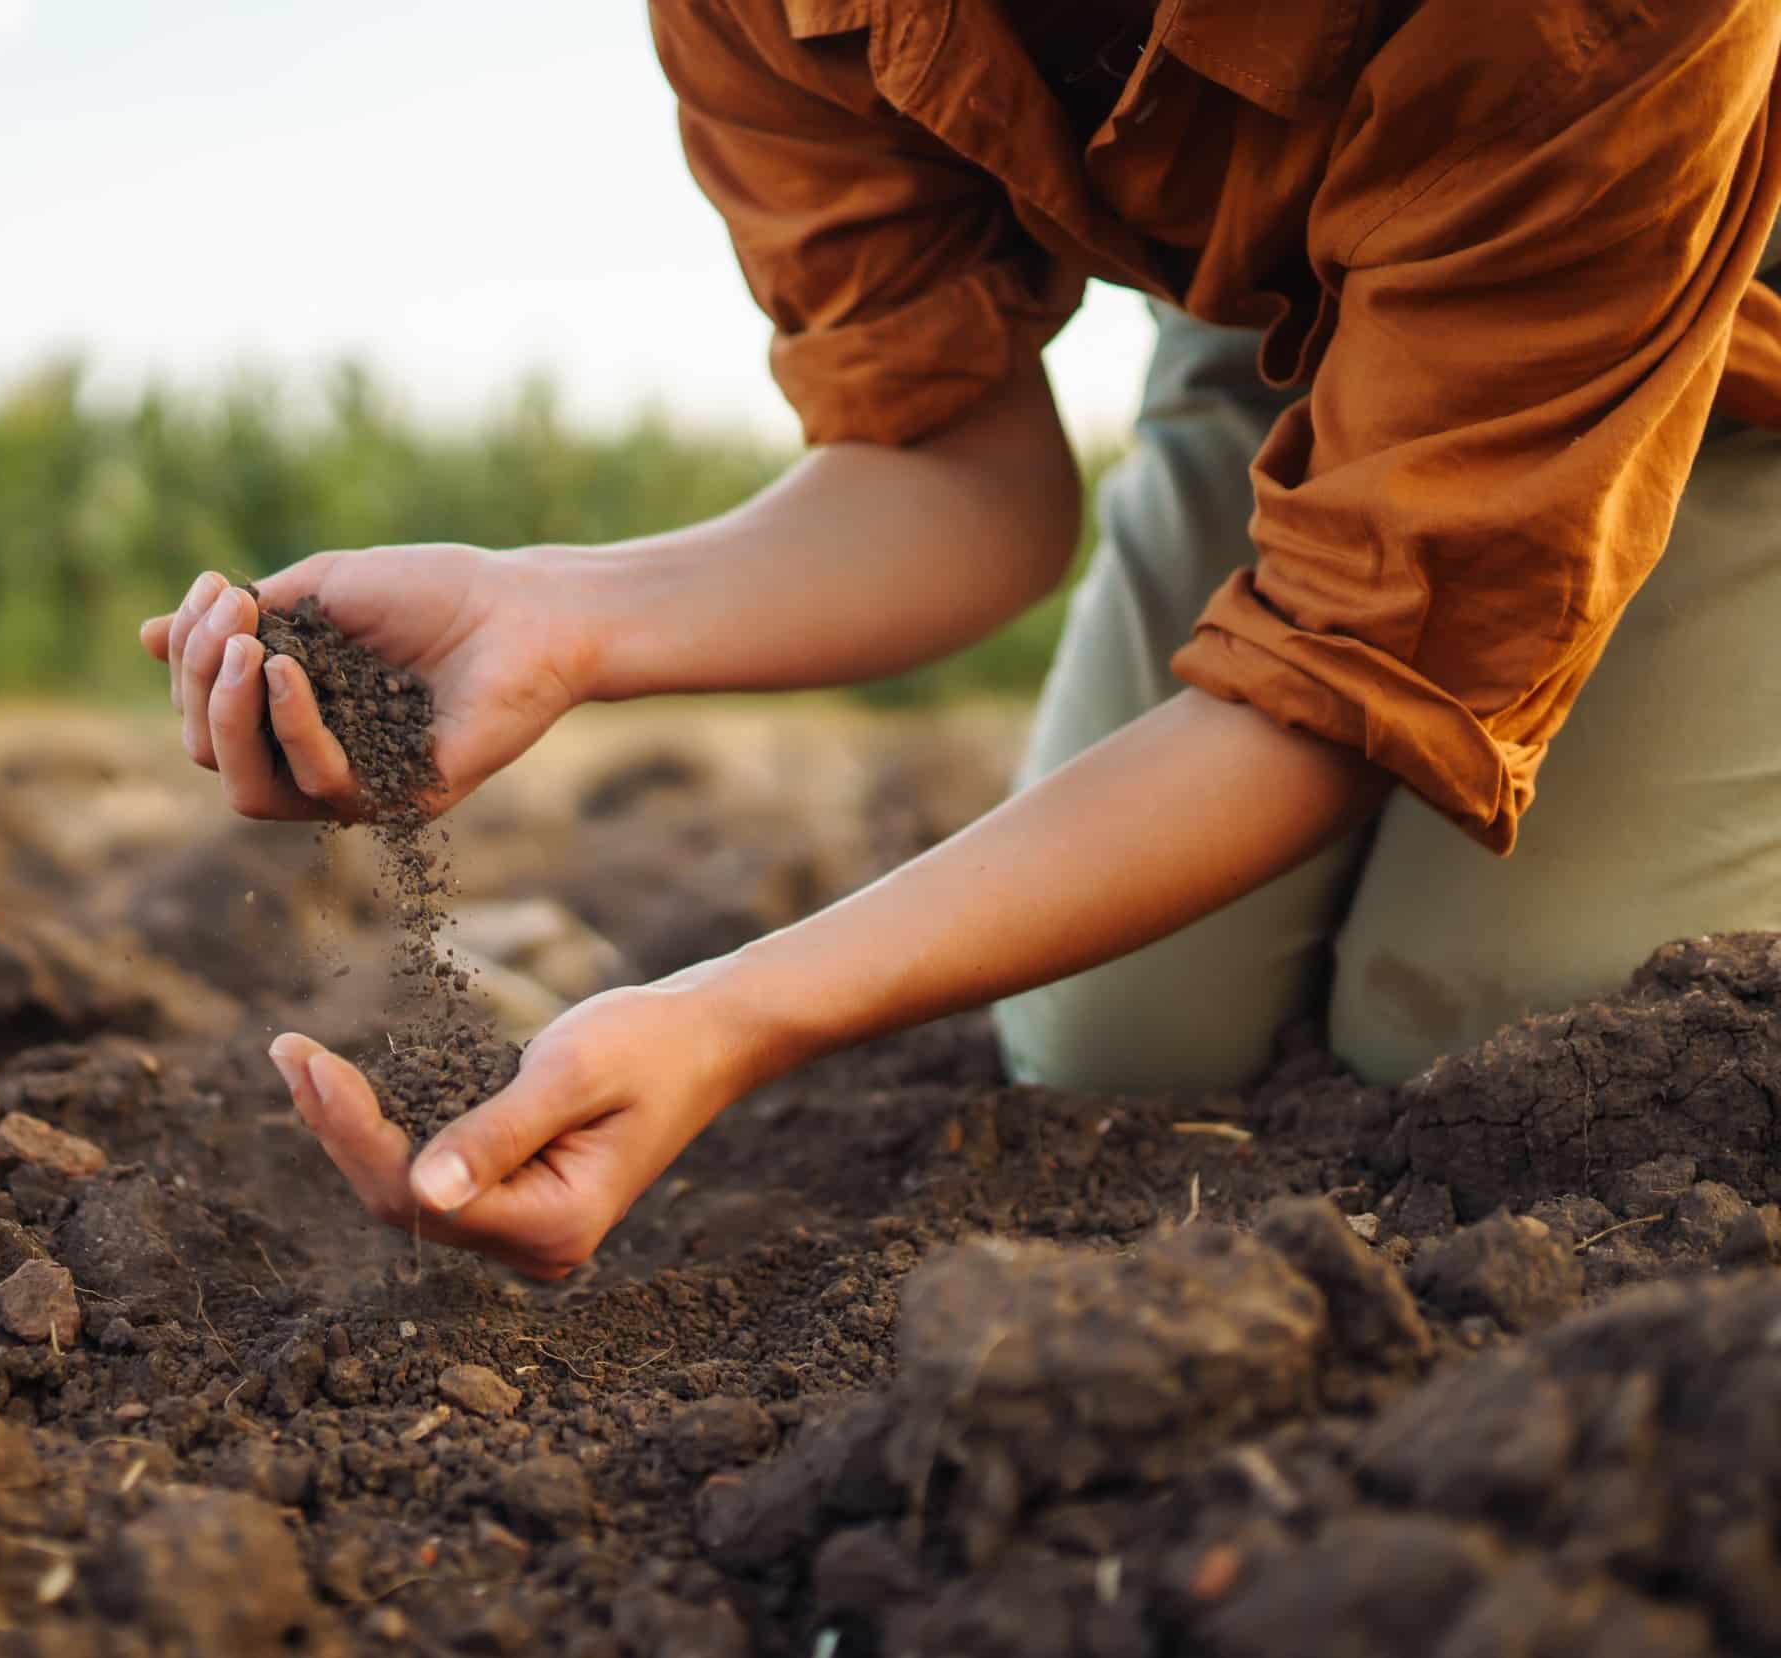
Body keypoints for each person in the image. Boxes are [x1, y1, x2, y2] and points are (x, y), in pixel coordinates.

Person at [142, 0, 1781, 1279]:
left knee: (1509, 1040)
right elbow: (956, 476)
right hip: (1294, 320)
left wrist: (737, 1009)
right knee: (1116, 1045)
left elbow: (1359, 674)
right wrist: (561, 613)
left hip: (1700, 329)